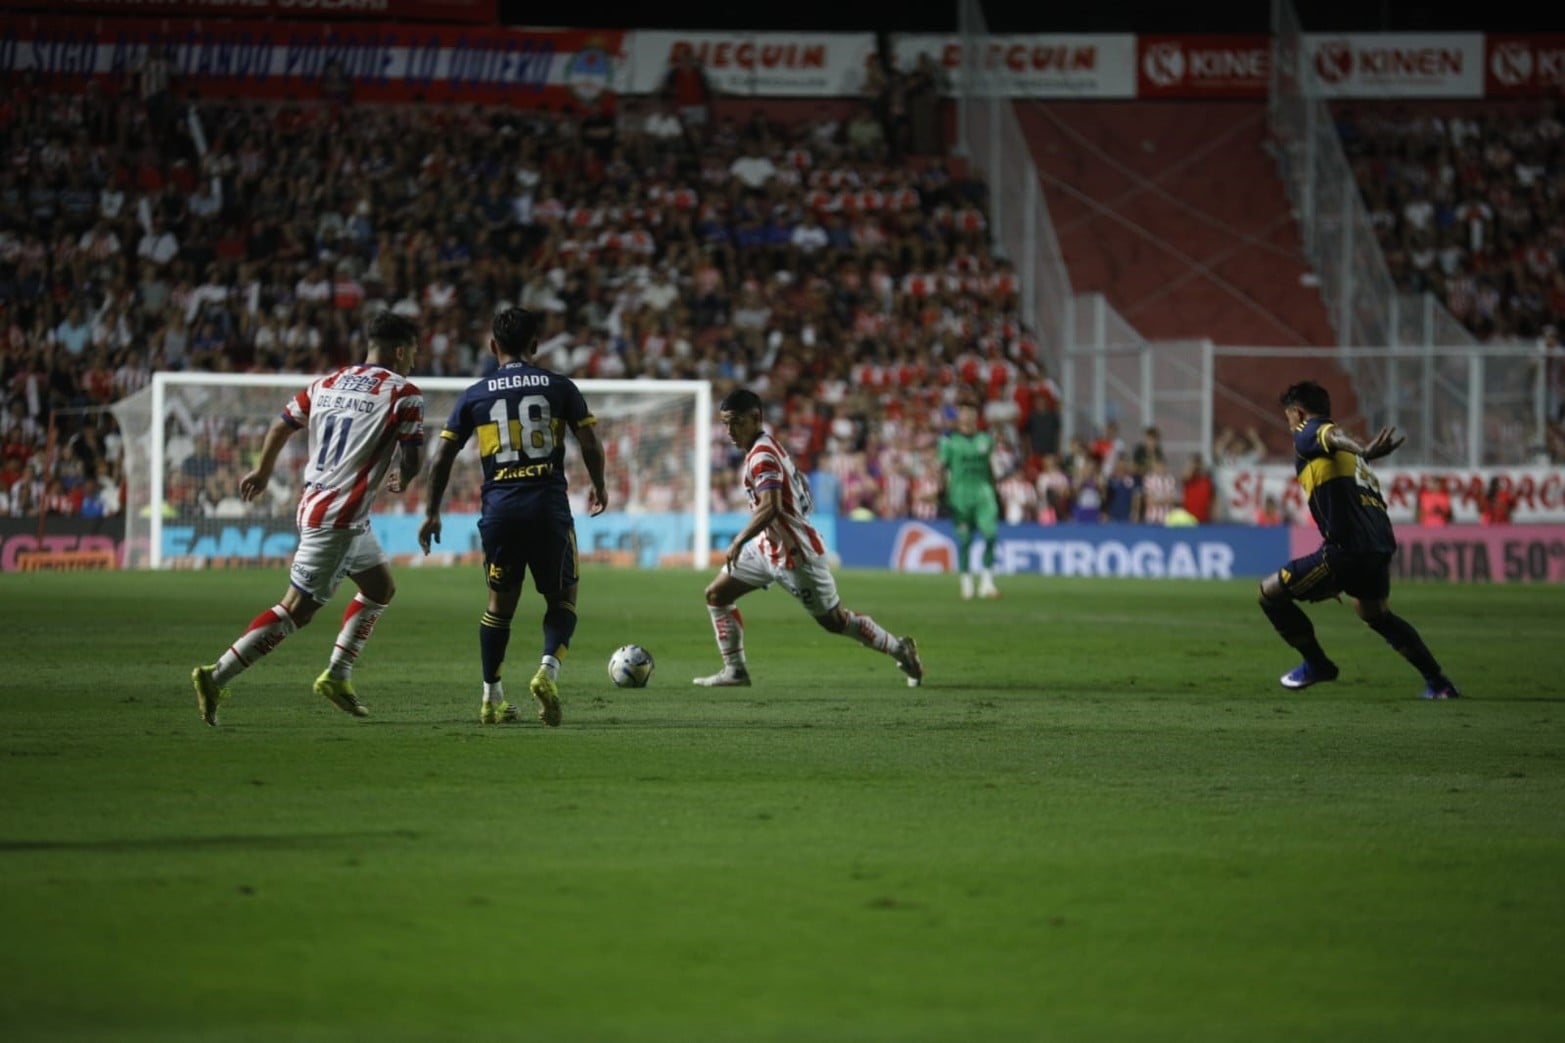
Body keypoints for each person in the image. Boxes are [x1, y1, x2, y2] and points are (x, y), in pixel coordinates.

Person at [191, 311, 425, 726]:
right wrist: (403, 477)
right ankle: (216, 676)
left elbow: (282, 426)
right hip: (339, 516)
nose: (414, 362)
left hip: (321, 505)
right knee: (296, 610)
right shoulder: (404, 394)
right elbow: (412, 457)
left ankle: (337, 675)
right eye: (413, 353)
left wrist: (263, 471)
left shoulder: (326, 383)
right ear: (400, 352)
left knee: (379, 587)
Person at [417, 307, 608, 727]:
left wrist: (431, 512)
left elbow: (443, 455)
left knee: (498, 607)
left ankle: (491, 698)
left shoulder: (475, 394)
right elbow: (590, 442)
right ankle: (547, 671)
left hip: (500, 511)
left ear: (492, 346)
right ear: (536, 345)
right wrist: (599, 484)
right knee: (563, 599)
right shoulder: (560, 386)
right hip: (548, 508)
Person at [694, 387, 924, 689]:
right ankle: (735, 670)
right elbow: (797, 485)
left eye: (736, 422)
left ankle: (899, 649)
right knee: (717, 594)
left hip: (797, 556)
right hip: (767, 547)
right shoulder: (766, 446)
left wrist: (738, 540)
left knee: (835, 621)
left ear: (756, 418)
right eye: (725, 424)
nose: (729, 431)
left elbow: (772, 507)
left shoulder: (762, 455)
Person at [1258, 381, 1459, 700]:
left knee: (1270, 593)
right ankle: (1438, 683)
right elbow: (1338, 439)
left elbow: (1330, 435)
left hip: (1346, 550)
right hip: (1379, 546)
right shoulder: (1350, 456)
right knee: (1375, 614)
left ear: (1297, 413)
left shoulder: (1310, 432)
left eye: (1288, 418)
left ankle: (1317, 664)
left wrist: (1363, 449)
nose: (1290, 425)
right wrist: (1362, 451)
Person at [936, 400, 1001, 599]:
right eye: (963, 412)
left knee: (990, 535)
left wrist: (996, 490)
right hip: (960, 496)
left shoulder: (985, 439)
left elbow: (991, 466)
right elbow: (941, 468)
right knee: (965, 540)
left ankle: (987, 582)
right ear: (958, 416)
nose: (967, 415)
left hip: (984, 494)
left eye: (971, 412)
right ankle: (966, 581)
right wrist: (941, 494)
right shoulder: (949, 441)